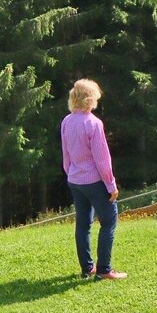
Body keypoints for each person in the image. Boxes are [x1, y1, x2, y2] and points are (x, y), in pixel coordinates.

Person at [61, 79, 127, 280]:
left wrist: (71, 174)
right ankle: (104, 270)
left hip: (75, 180)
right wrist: (111, 185)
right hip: (94, 181)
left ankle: (87, 269)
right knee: (109, 220)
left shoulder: (67, 121)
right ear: (90, 98)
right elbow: (102, 159)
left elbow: (66, 155)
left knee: (83, 225)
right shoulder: (93, 123)